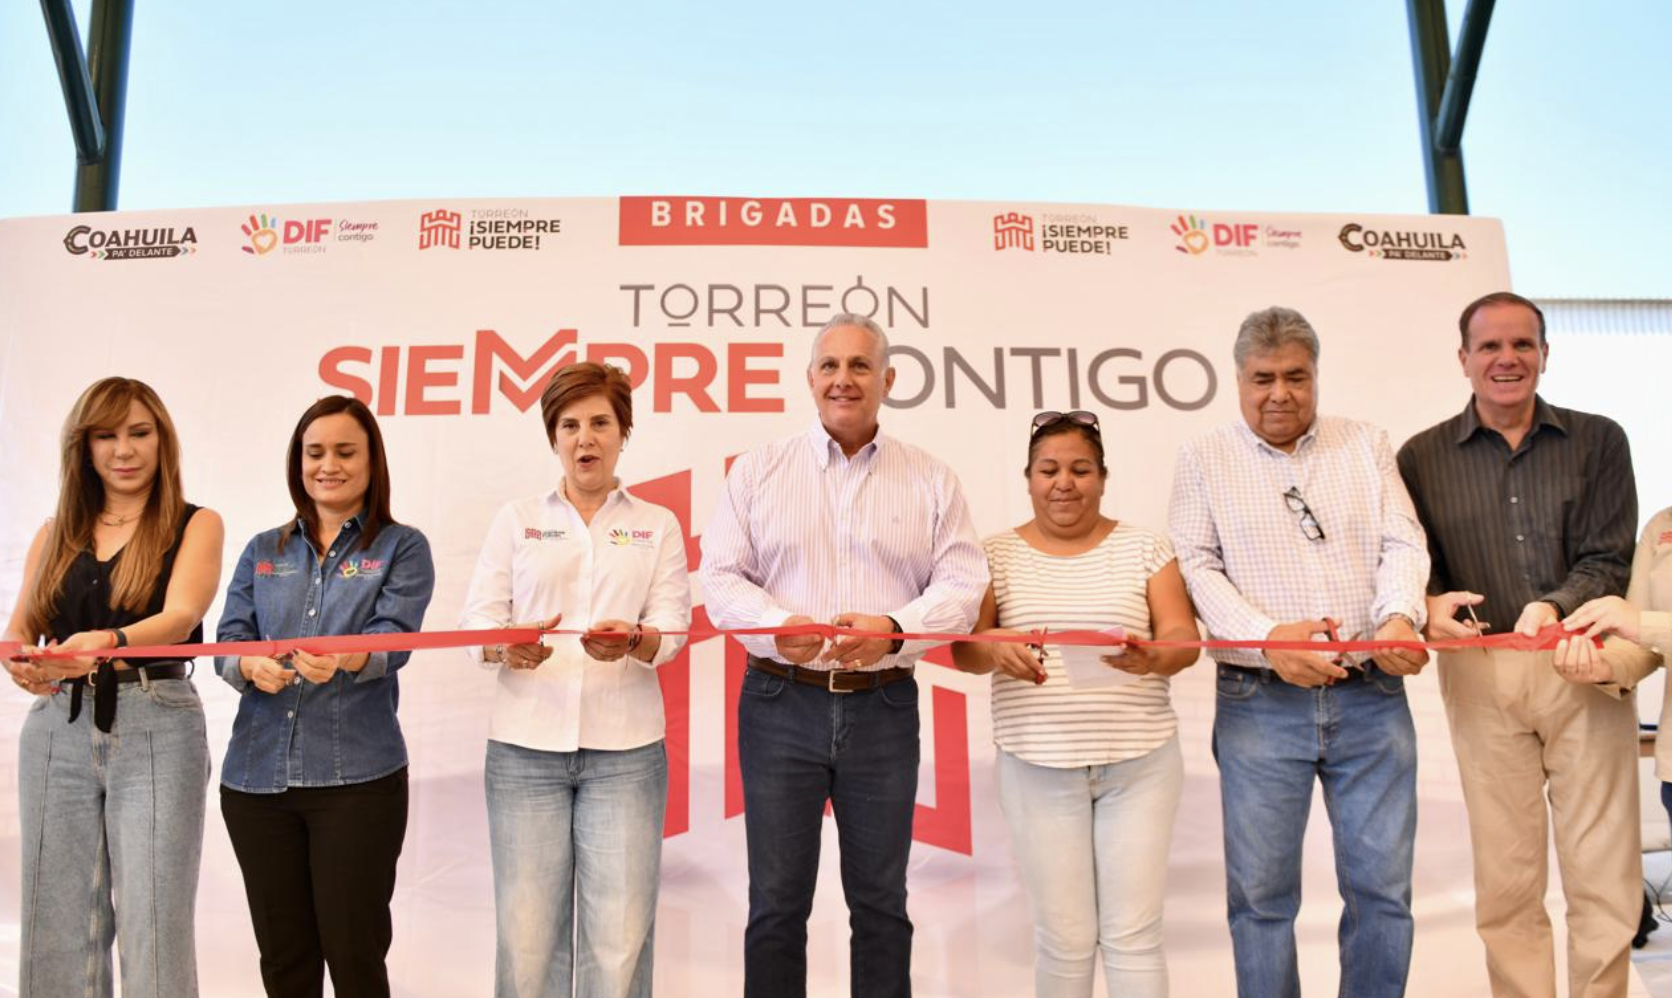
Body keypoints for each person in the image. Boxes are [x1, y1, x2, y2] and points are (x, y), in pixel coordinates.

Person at [700, 312, 988, 998]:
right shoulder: (759, 471)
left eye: (860, 366)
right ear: (809, 379)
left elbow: (963, 584)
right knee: (776, 907)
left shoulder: (931, 478)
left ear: (888, 380)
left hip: (883, 707)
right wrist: (776, 625)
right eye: (830, 365)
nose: (844, 379)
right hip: (778, 701)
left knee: (882, 906)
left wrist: (893, 628)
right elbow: (718, 578)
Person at [1169, 306, 1430, 998]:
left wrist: (1400, 617)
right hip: (1259, 702)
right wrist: (1267, 637)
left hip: (1371, 696)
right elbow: (1197, 565)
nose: (1279, 393)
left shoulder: (1365, 444)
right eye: (1263, 378)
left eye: (1295, 376)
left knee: (1382, 892)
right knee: (1261, 901)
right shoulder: (1203, 458)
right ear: (1237, 379)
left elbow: (1403, 541)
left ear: (1315, 376)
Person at [1397, 290, 1641, 998]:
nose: (1508, 359)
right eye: (1491, 347)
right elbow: (1417, 567)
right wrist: (1430, 604)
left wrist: (1553, 607)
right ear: (1464, 359)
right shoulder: (1421, 457)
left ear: (1544, 354)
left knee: (1603, 870)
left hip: (1583, 663)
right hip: (1481, 678)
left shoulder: (1600, 441)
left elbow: (1609, 558)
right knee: (1508, 877)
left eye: (1522, 345)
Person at [458, 362, 692, 998]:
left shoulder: (656, 523)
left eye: (599, 423)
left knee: (618, 945)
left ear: (624, 433)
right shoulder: (516, 518)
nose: (585, 438)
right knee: (527, 943)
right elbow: (478, 623)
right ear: (552, 437)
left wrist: (635, 641)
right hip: (522, 752)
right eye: (570, 425)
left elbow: (672, 628)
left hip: (627, 755)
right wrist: (509, 647)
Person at [952, 409, 1199, 998]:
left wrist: (1154, 657)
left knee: (1134, 935)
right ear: (1029, 478)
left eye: (1080, 469)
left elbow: (1182, 640)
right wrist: (997, 648)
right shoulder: (994, 554)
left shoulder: (1147, 548)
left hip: (1140, 766)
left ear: (1103, 477)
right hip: (1036, 768)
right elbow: (966, 653)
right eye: (1050, 470)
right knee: (1063, 938)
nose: (1065, 482)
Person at [3, 376, 224, 998]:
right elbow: (20, 629)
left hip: (157, 719)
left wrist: (112, 642)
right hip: (56, 728)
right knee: (55, 917)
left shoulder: (196, 523)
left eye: (138, 433)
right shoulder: (56, 533)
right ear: (85, 447)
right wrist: (21, 664)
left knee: (155, 918)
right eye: (106, 436)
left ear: (163, 440)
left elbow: (181, 616)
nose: (123, 450)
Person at [214, 395, 436, 998]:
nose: (328, 465)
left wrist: (350, 654)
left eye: (345, 451)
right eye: (315, 452)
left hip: (357, 785)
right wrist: (248, 668)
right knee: (285, 962)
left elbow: (397, 637)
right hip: (256, 783)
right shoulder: (265, 549)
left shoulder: (401, 547)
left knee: (355, 956)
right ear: (298, 461)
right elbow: (229, 638)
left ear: (371, 461)